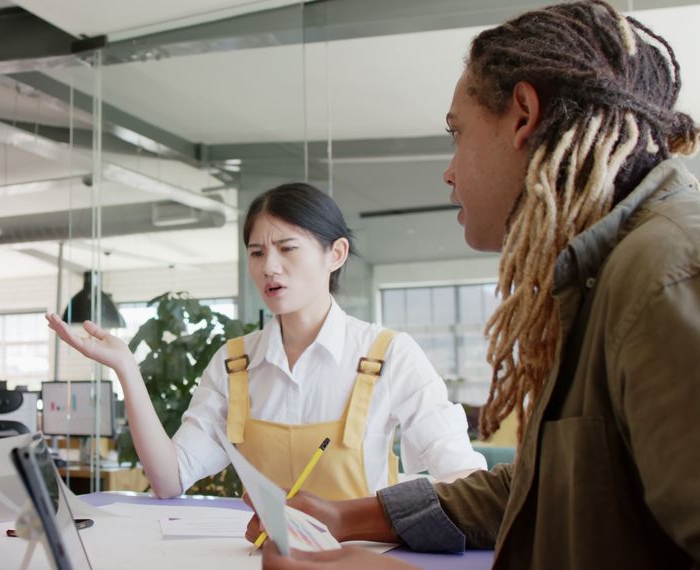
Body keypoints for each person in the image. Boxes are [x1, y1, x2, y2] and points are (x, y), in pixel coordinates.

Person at [247, 1, 700, 568]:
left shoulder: (667, 274)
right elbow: (537, 488)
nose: (449, 170)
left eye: (456, 133)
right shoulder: (605, 273)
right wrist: (349, 517)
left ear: (523, 116)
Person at [47, 182, 485, 502]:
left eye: (287, 248)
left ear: (336, 254)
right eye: (257, 253)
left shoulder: (389, 355)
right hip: (259, 557)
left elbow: (462, 476)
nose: (269, 267)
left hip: (358, 557)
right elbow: (169, 479)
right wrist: (125, 367)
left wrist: (394, 505)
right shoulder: (233, 364)